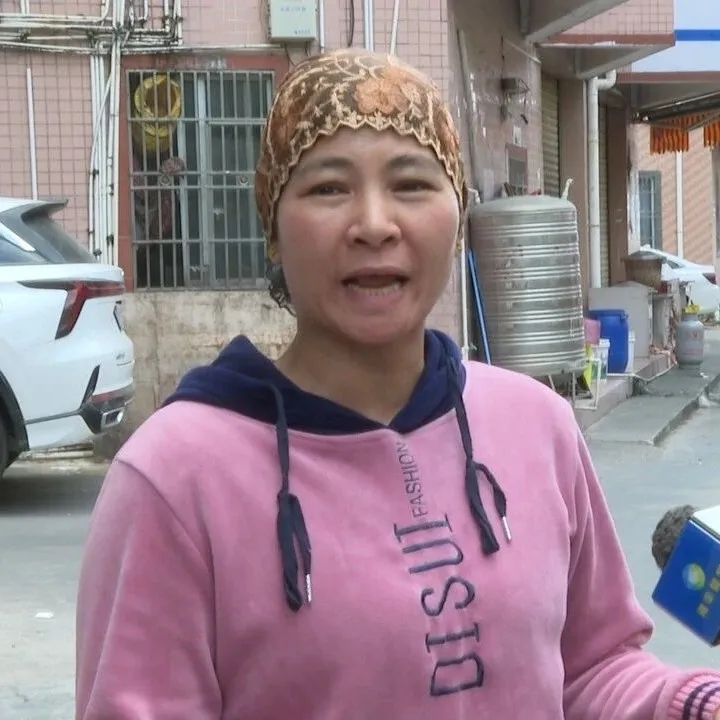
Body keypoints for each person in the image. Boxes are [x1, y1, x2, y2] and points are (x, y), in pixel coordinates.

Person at [75, 48, 720, 720]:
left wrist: (694, 704)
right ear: (273, 228)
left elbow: (592, 667)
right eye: (328, 189)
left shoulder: (537, 424)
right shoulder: (174, 477)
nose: (375, 225)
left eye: (411, 184)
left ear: (457, 215)